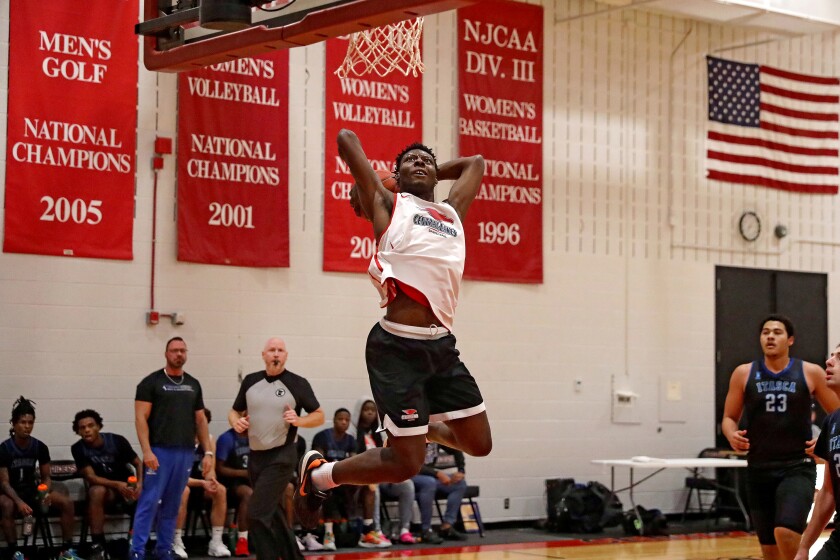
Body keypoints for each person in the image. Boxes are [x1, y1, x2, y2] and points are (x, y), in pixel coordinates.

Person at [295, 129, 492, 531]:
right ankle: (318, 476)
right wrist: (386, 180)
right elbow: (346, 139)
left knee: (479, 444)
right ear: (397, 176)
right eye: (411, 160)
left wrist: (430, 167)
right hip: (396, 347)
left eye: (427, 161)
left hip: (441, 347)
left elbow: (476, 164)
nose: (420, 162)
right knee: (404, 465)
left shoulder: (453, 211)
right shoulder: (388, 205)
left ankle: (420, 430)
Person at [722, 315, 840, 560]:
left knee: (785, 531)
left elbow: (836, 411)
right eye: (765, 332)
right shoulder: (744, 373)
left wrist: (823, 441)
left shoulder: (809, 372)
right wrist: (731, 434)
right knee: (769, 550)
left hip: (796, 467)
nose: (770, 336)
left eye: (777, 332)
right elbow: (729, 418)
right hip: (758, 468)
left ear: (790, 340)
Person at [228, 337, 324, 560]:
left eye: (280, 350)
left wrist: (299, 420)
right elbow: (234, 411)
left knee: (256, 512)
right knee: (273, 513)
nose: (276, 354)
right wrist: (236, 421)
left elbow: (319, 416)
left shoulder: (297, 383)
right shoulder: (250, 381)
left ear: (286, 356)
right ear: (263, 355)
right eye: (272, 350)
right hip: (256, 457)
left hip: (282, 455)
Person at [132, 337, 215, 560]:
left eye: (182, 350)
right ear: (166, 353)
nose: (178, 354)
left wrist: (207, 452)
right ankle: (137, 550)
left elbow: (200, 420)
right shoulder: (151, 383)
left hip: (185, 452)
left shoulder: (194, 384)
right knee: (149, 501)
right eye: (174, 350)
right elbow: (141, 418)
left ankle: (164, 549)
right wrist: (147, 451)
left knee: (173, 502)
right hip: (159, 451)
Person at [0, 397, 81, 560]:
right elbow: (4, 483)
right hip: (11, 493)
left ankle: (66, 550)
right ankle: (14, 552)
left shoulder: (40, 447)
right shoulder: (4, 449)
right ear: (14, 424)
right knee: (6, 505)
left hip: (32, 490)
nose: (27, 426)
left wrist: (44, 493)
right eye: (23, 422)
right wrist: (19, 502)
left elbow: (46, 477)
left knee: (67, 502)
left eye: (30, 423)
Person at [71, 409, 143, 560]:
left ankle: (136, 541)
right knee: (96, 491)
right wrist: (117, 485)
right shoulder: (78, 448)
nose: (87, 430)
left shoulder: (117, 441)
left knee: (147, 495)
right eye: (82, 428)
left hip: (127, 489)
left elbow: (139, 464)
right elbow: (91, 477)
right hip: (107, 491)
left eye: (91, 425)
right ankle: (98, 545)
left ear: (99, 427)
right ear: (78, 431)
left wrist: (141, 484)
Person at [795, 342, 840, 559]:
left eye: (839, 357)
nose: (829, 361)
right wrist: (804, 547)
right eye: (831, 355)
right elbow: (829, 492)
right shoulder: (832, 422)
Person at [351, 397, 412, 545]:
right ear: (359, 412)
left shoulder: (379, 434)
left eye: (373, 410)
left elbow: (389, 459)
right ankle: (375, 530)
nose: (370, 413)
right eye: (366, 410)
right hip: (364, 479)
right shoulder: (352, 434)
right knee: (374, 488)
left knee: (407, 485)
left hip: (383, 477)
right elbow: (354, 462)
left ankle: (404, 529)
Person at [172, 409, 230, 559]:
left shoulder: (209, 440)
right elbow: (178, 477)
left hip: (201, 484)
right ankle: (176, 541)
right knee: (184, 491)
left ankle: (216, 542)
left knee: (220, 490)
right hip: (178, 484)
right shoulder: (177, 441)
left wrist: (211, 481)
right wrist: (202, 483)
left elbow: (211, 471)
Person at [311, 409, 360, 550]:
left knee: (354, 486)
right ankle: (328, 533)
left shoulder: (350, 440)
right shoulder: (322, 437)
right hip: (321, 475)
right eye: (340, 419)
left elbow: (353, 462)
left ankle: (348, 526)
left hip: (341, 479)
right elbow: (318, 462)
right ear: (334, 420)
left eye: (346, 420)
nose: (343, 422)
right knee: (329, 488)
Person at [412, 443, 468, 543]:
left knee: (459, 484)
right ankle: (426, 530)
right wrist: (437, 474)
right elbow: (412, 464)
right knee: (429, 483)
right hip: (410, 475)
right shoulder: (412, 435)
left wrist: (461, 470)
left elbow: (456, 449)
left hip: (430, 475)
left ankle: (447, 526)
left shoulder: (435, 435)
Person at [214, 426, 252, 557]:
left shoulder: (256, 437)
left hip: (251, 480)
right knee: (248, 493)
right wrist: (243, 473)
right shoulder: (227, 438)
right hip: (231, 483)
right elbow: (219, 468)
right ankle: (243, 540)